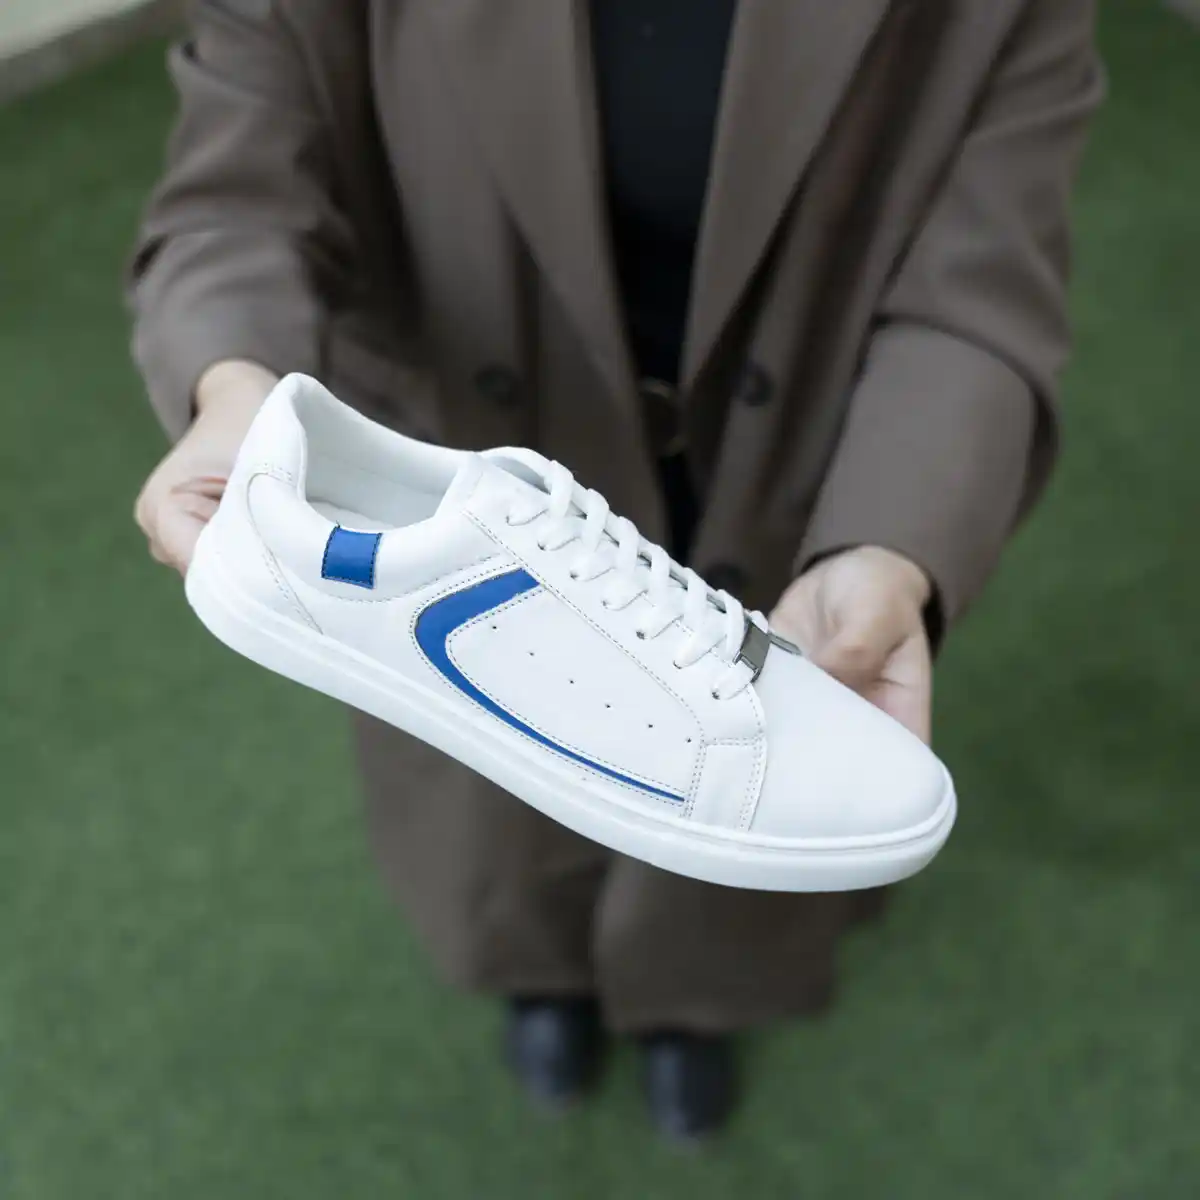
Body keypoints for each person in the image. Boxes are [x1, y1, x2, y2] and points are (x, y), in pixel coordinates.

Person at [129, 0, 1102, 1142]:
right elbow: (239, 179)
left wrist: (884, 537)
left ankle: (690, 999)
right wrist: (233, 384)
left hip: (797, 473)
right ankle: (540, 974)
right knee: (494, 797)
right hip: (463, 452)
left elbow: (978, 280)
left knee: (752, 788)